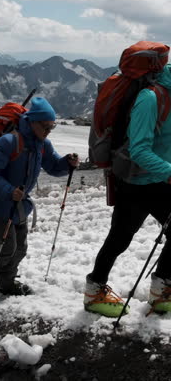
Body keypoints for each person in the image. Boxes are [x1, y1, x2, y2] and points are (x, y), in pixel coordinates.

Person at [84, 64, 171, 317]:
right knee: (120, 238)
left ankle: (162, 287)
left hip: (159, 182)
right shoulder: (150, 97)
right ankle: (94, 291)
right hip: (135, 183)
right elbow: (139, 149)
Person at [0, 97, 79, 298]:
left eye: (52, 127)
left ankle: (6, 284)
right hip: (0, 203)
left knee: (19, 248)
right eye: (45, 126)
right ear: (32, 122)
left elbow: (54, 166)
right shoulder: (9, 142)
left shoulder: (42, 144)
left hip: (19, 203)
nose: (48, 131)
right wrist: (8, 191)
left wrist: (67, 163)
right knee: (6, 248)